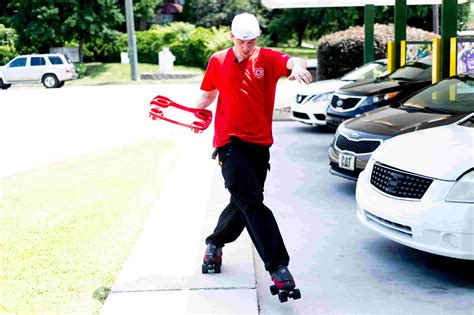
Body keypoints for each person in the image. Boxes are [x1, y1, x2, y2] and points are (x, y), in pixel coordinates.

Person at [195, 12, 312, 294]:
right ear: (231, 37)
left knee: (244, 201)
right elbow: (209, 94)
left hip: (260, 147)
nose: (247, 47)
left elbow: (293, 61)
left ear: (258, 37)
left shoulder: (268, 59)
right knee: (251, 202)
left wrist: (298, 66)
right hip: (229, 144)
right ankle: (278, 267)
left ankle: (215, 242)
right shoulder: (218, 60)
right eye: (241, 41)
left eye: (252, 41)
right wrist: (194, 112)